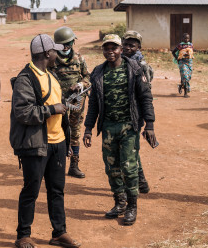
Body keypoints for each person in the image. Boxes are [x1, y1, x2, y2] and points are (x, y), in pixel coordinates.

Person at [10, 34, 81, 248]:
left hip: (57, 142)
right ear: (47, 54)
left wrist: (68, 100)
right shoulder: (26, 79)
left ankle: (59, 232)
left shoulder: (50, 75)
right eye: (55, 51)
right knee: (31, 190)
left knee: (57, 190)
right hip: (36, 144)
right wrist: (52, 109)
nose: (58, 54)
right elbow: (22, 112)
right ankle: (23, 235)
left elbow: (53, 102)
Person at [83, 34, 156, 226]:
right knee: (112, 167)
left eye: (114, 48)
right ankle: (120, 202)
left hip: (129, 126)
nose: (110, 52)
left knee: (129, 167)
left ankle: (132, 206)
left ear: (120, 50)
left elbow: (146, 97)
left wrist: (149, 124)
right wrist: (88, 128)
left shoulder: (134, 69)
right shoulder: (98, 72)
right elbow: (93, 104)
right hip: (107, 127)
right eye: (107, 48)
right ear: (103, 50)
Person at [50, 26, 90, 179]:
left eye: (68, 43)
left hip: (75, 103)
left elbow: (88, 77)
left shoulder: (79, 59)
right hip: (56, 103)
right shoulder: (51, 60)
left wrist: (80, 85)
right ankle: (55, 165)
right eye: (62, 44)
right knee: (55, 132)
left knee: (75, 132)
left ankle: (74, 165)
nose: (66, 47)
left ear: (73, 42)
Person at [121, 30, 153, 194]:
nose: (127, 47)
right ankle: (140, 181)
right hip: (121, 113)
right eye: (125, 44)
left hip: (135, 114)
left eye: (131, 45)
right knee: (129, 149)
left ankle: (139, 181)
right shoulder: (120, 61)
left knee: (130, 149)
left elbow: (146, 94)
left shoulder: (141, 65)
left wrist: (149, 122)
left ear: (138, 47)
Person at [171, 33, 194, 98]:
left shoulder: (191, 45)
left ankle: (181, 86)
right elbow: (173, 52)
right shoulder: (180, 45)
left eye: (188, 38)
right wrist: (177, 59)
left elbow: (191, 52)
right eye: (185, 38)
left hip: (189, 62)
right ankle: (186, 93)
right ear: (182, 38)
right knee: (185, 76)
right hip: (182, 62)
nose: (186, 39)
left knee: (188, 77)